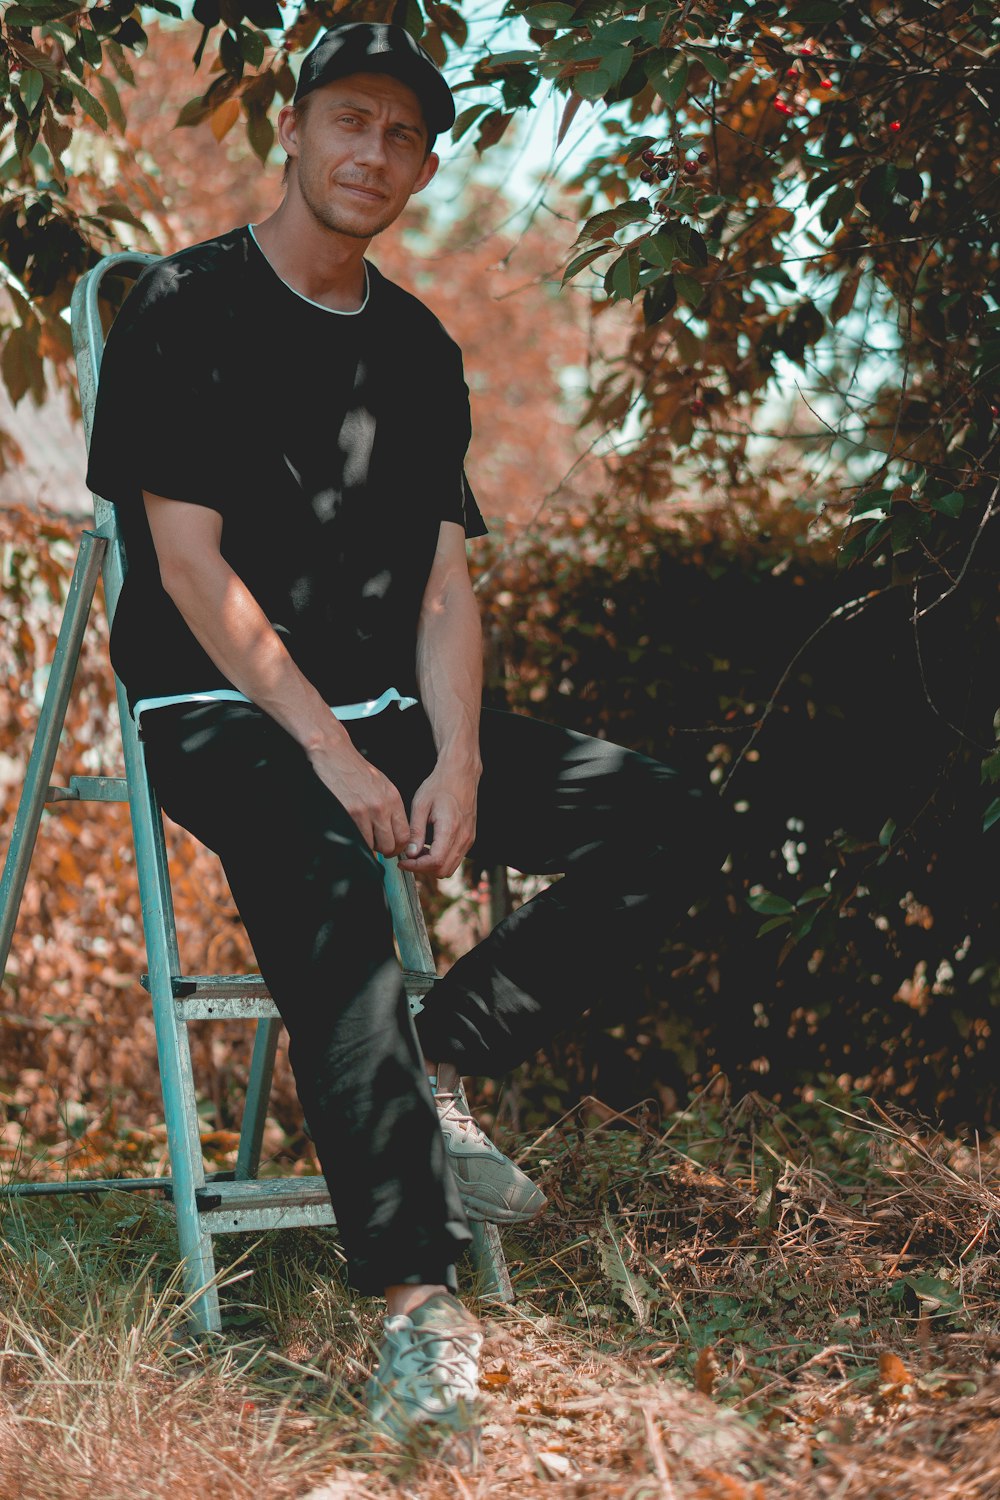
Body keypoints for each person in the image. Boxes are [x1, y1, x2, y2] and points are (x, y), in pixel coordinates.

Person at [85, 19, 723, 1464]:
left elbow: (445, 583)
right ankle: (419, 1317)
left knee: (673, 814)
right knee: (326, 890)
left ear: (423, 166)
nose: (371, 154)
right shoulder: (184, 308)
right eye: (349, 122)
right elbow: (186, 567)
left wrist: (462, 761)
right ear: (295, 130)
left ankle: (437, 1054)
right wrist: (329, 749)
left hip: (389, 716)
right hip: (226, 709)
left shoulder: (420, 346)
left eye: (402, 137)